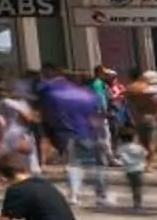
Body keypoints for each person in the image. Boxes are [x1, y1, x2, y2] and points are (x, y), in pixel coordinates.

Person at [35, 66, 109, 207]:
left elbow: (46, 114)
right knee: (96, 165)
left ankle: (74, 195)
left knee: (73, 164)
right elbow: (96, 116)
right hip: (87, 132)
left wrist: (47, 134)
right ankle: (100, 194)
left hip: (65, 132)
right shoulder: (87, 95)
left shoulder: (51, 92)